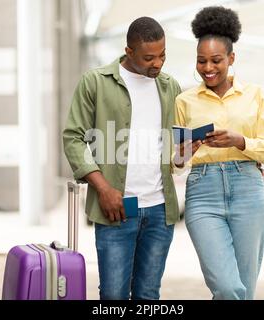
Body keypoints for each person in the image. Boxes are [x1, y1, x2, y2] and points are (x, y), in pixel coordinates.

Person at [63, 17, 182, 300]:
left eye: (163, 55)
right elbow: (73, 137)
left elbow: (177, 151)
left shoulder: (170, 87)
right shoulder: (95, 82)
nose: (158, 63)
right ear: (128, 52)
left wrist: (186, 152)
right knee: (114, 296)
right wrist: (103, 188)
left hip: (159, 210)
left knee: (148, 295)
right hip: (116, 208)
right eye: (149, 58)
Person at [173, 6, 264, 300]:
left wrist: (239, 141)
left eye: (216, 60)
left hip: (248, 188)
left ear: (231, 58)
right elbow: (175, 165)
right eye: (201, 61)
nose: (208, 68)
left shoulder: (254, 95)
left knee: (245, 291)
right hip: (202, 192)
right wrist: (185, 151)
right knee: (228, 287)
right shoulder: (184, 101)